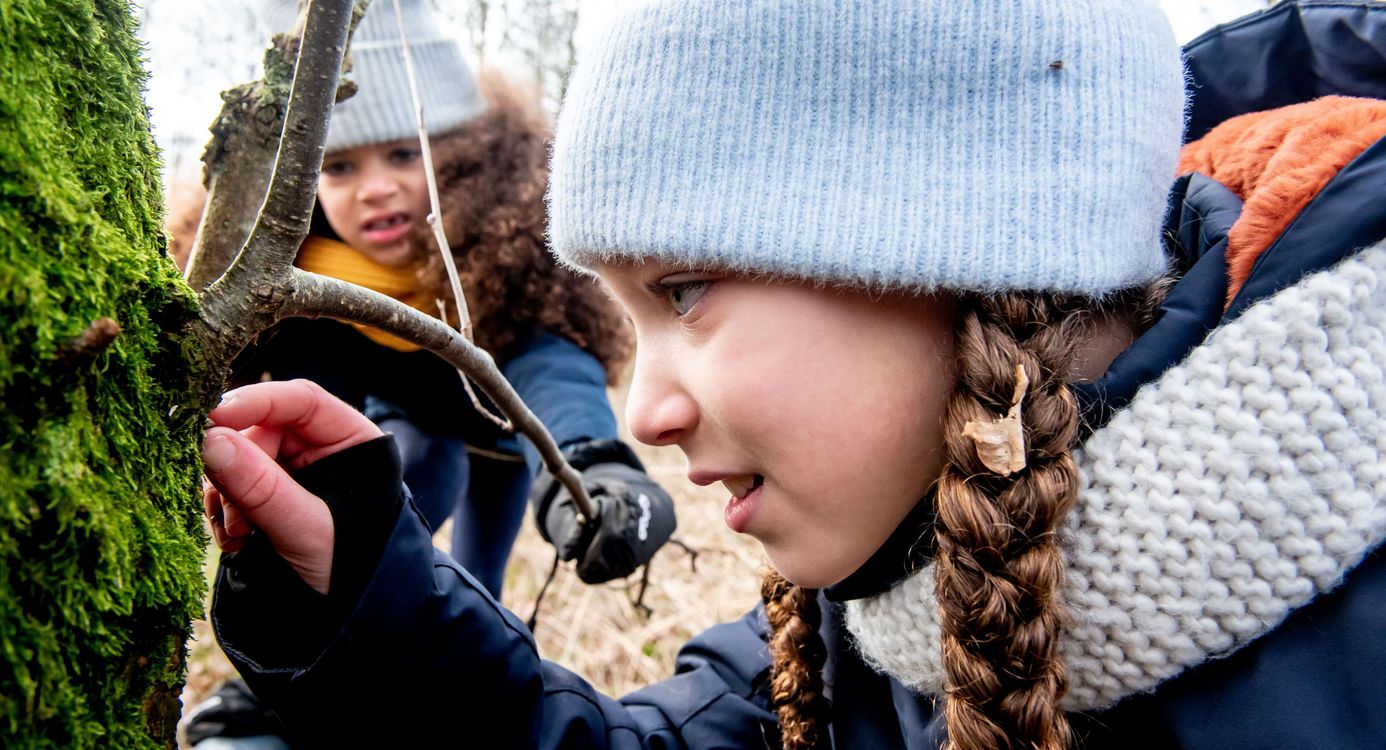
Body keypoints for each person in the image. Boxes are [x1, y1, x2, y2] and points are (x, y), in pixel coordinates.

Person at [197, 1, 1386, 747]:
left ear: (962, 241)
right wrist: (365, 606)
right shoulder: (844, 634)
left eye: (687, 293)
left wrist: (592, 465)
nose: (651, 407)